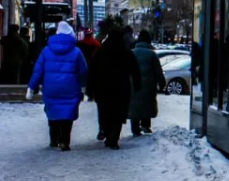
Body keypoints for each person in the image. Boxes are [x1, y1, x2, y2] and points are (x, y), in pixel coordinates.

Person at [26, 21, 88, 151]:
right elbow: (83, 71)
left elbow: (38, 70)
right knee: (67, 114)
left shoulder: (46, 50)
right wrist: (84, 87)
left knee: (53, 112)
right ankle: (64, 141)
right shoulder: (76, 52)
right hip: (71, 88)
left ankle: (54, 140)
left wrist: (31, 87)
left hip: (51, 87)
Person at [88, 27, 142, 149]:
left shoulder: (100, 52)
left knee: (104, 112)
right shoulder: (125, 52)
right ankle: (114, 138)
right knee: (118, 114)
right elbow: (135, 70)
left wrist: (90, 90)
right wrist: (137, 84)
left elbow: (92, 71)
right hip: (121, 88)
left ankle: (105, 131)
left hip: (102, 89)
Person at [129, 30, 166, 135]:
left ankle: (135, 128)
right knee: (147, 104)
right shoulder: (152, 54)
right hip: (149, 85)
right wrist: (162, 83)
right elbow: (158, 71)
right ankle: (146, 125)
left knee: (134, 105)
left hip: (133, 85)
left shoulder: (131, 52)